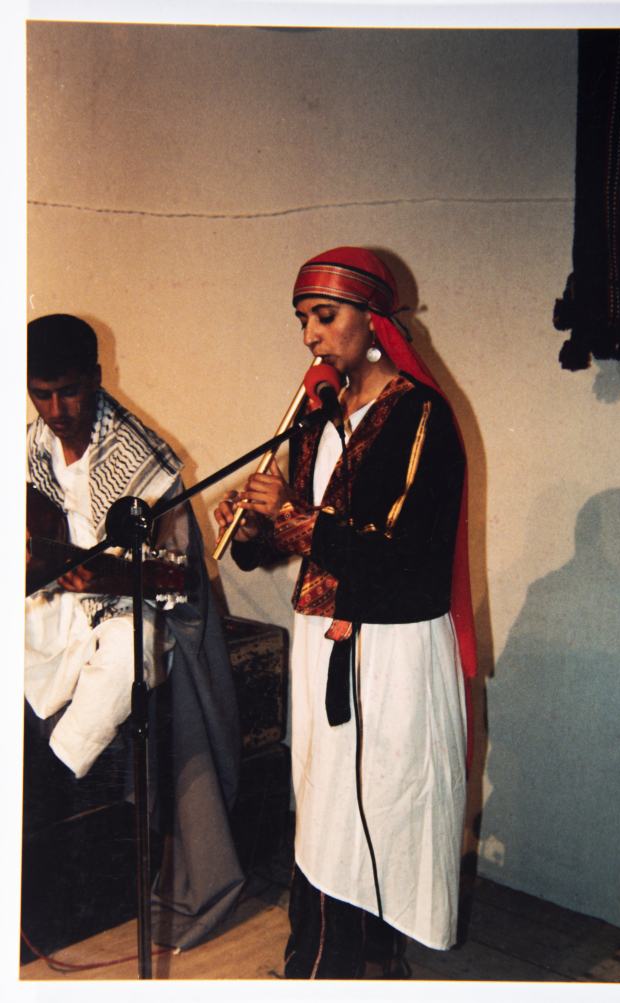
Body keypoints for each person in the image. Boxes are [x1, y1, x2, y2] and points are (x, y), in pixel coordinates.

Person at [214, 248, 478, 978]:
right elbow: (274, 550)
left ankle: (332, 965)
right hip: (321, 635)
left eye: (323, 317)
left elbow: (398, 552)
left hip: (390, 647)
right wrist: (247, 524)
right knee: (325, 798)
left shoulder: (422, 416)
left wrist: (293, 516)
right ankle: (341, 962)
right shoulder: (315, 417)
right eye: (303, 319)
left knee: (372, 805)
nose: (309, 336)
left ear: (373, 321)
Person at [25, 313, 243, 949]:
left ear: (95, 378)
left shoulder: (143, 459)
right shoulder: (31, 442)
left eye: (69, 390)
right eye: (41, 392)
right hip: (64, 601)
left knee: (127, 660)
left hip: (134, 604)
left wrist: (97, 577)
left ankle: (56, 776)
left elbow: (175, 575)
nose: (57, 408)